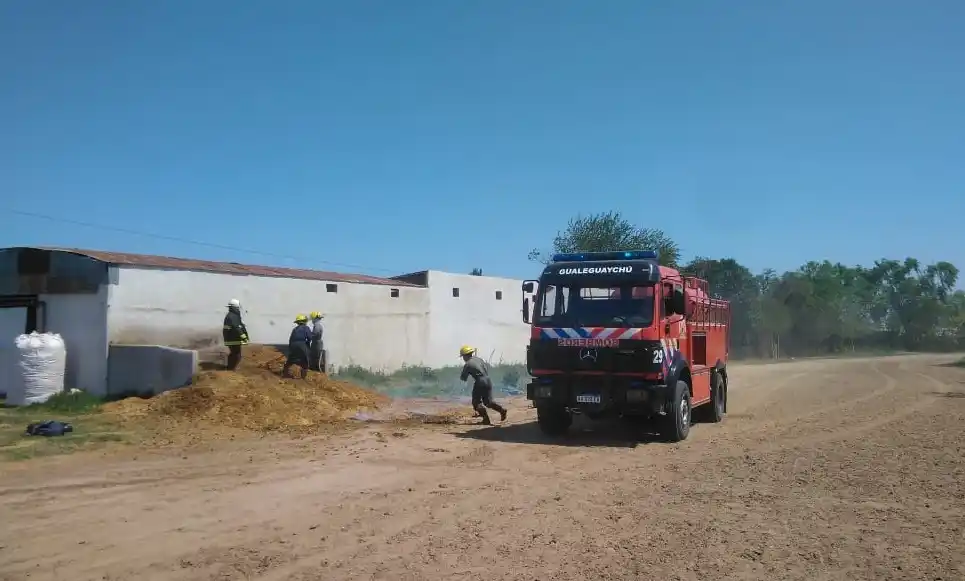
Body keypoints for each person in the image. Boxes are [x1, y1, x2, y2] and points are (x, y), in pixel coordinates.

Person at [459, 345, 507, 425]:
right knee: (488, 402)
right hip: (488, 379)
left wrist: (472, 376)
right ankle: (502, 410)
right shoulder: (479, 359)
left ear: (465, 355)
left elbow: (463, 378)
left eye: (463, 356)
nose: (463, 358)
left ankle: (486, 419)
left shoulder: (467, 364)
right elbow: (485, 369)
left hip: (480, 381)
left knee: (476, 402)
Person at [222, 299, 250, 370]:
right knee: (236, 355)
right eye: (237, 308)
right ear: (234, 307)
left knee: (234, 354)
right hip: (234, 339)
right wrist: (244, 337)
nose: (238, 309)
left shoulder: (231, 316)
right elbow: (237, 328)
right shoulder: (233, 317)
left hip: (231, 339)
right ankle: (231, 369)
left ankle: (230, 368)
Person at [282, 314, 313, 379]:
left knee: (290, 360)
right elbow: (310, 337)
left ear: (298, 322)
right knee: (305, 359)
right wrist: (307, 344)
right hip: (301, 344)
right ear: (304, 321)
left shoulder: (294, 329)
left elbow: (290, 339)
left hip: (293, 345)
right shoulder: (306, 328)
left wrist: (291, 349)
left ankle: (285, 374)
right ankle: (303, 377)